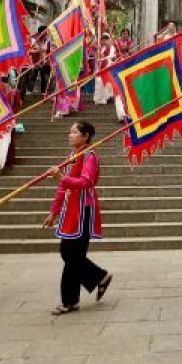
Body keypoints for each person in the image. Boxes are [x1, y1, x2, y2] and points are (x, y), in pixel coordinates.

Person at [43, 121, 112, 315]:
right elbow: (62, 188)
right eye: (70, 131)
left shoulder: (89, 155)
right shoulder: (73, 155)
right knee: (68, 253)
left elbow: (86, 182)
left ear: (86, 136)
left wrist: (61, 178)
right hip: (70, 210)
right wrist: (53, 212)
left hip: (84, 210)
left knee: (72, 256)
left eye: (74, 132)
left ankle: (70, 301)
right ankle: (100, 277)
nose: (70, 135)